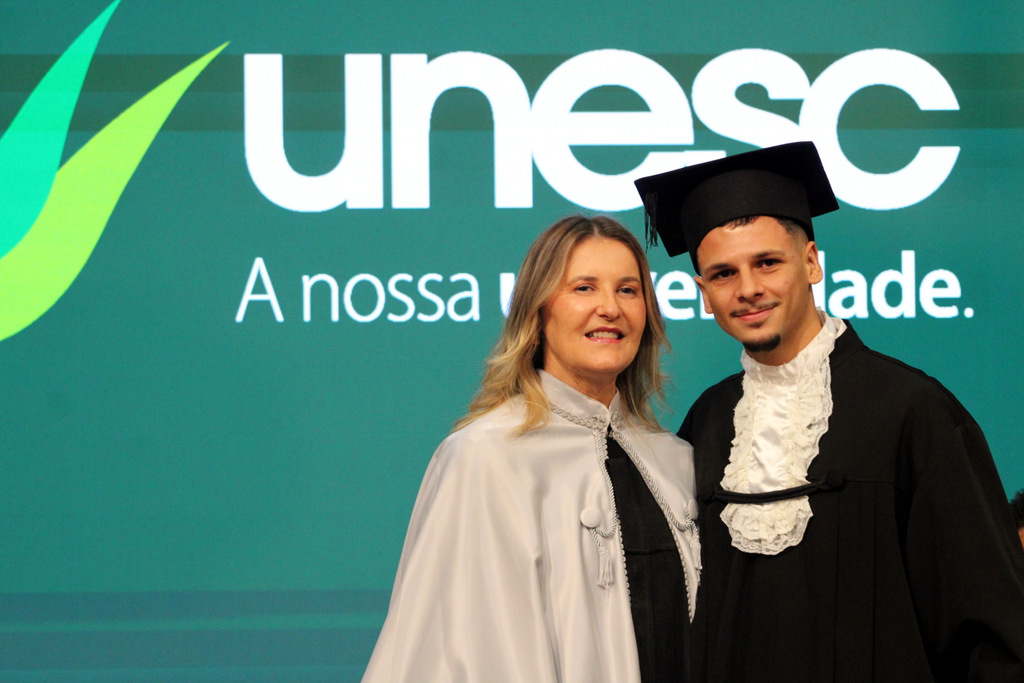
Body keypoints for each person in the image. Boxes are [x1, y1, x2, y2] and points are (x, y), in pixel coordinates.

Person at [634, 142, 1024, 681]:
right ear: (703, 292)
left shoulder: (913, 411)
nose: (749, 289)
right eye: (723, 274)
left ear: (812, 262)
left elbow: (990, 631)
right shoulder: (709, 422)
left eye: (768, 262)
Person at [362, 215, 700, 682]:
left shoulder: (675, 460)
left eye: (628, 290)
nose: (610, 308)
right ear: (538, 313)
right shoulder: (484, 457)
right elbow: (469, 655)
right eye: (583, 288)